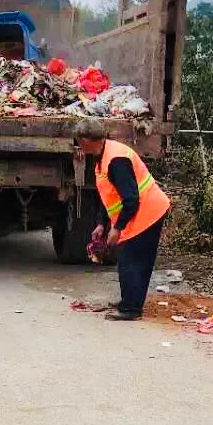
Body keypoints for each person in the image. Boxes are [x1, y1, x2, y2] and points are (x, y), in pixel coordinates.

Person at [73, 118, 172, 321]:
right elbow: (108, 194)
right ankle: (130, 302)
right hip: (139, 211)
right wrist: (102, 223)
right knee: (132, 260)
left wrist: (117, 228)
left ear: (86, 140)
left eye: (78, 141)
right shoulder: (103, 155)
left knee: (132, 261)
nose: (78, 145)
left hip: (147, 212)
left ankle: (130, 309)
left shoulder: (116, 160)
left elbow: (131, 199)